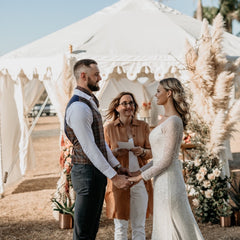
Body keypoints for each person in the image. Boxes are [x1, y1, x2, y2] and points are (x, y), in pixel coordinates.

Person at [128, 78, 204, 240]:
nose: (155, 95)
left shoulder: (174, 122)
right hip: (161, 182)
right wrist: (138, 171)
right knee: (163, 227)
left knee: (173, 227)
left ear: (169, 93)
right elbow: (158, 158)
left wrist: (140, 177)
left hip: (170, 183)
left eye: (158, 91)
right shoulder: (165, 119)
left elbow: (167, 160)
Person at [64, 59, 131, 240]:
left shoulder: (89, 103)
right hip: (86, 174)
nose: (100, 78)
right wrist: (114, 177)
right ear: (83, 76)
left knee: (92, 229)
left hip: (94, 173)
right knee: (84, 232)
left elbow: (100, 143)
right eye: (96, 74)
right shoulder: (78, 107)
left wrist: (117, 166)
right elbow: (89, 147)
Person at [104, 92, 153, 240]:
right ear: (117, 107)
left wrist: (143, 151)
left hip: (140, 179)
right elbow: (103, 156)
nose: (128, 106)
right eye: (124, 103)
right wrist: (115, 152)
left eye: (131, 103)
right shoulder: (109, 128)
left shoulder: (143, 126)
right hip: (119, 181)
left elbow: (152, 152)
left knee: (139, 226)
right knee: (121, 226)